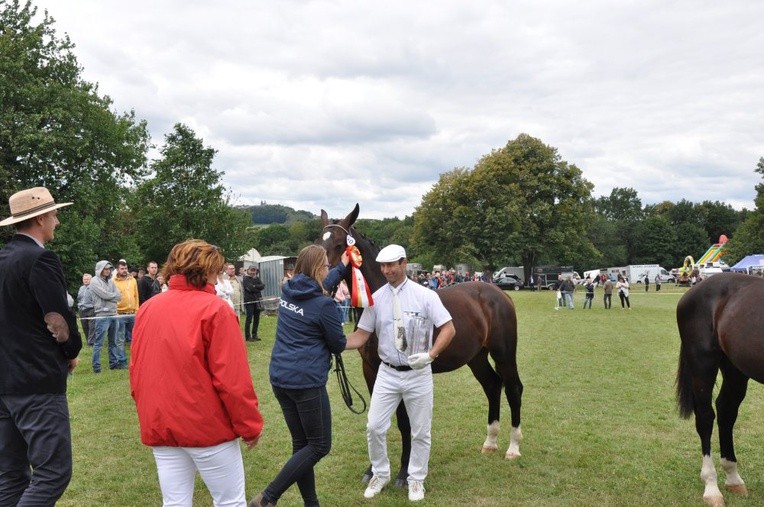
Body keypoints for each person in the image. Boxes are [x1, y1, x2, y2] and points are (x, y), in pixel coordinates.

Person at [130, 239, 263, 506]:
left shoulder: (148, 308)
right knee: (230, 502)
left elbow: (137, 371)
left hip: (162, 422)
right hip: (206, 426)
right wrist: (250, 426)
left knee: (175, 502)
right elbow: (232, 380)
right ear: (208, 271)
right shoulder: (215, 310)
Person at [344, 244, 456, 502]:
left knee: (420, 430)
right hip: (388, 373)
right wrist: (334, 343)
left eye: (391, 265)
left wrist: (431, 355)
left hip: (418, 374)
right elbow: (362, 335)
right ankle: (380, 473)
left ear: (404, 263)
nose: (386, 271)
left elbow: (448, 328)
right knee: (374, 426)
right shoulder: (377, 298)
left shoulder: (425, 296)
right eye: (382, 266)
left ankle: (416, 479)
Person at [0, 186, 82, 504]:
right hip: (35, 382)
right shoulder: (40, 259)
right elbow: (57, 318)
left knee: (10, 475)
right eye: (55, 214)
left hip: (4, 382)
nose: (57, 222)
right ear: (42, 218)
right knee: (53, 473)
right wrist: (70, 352)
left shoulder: (4, 258)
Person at [250, 245, 347, 507]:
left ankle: (311, 503)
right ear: (317, 268)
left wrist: (342, 266)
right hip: (306, 382)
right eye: (326, 265)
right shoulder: (324, 305)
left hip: (281, 377)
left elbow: (320, 285)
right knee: (319, 445)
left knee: (301, 444)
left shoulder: (289, 292)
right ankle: (268, 497)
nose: (328, 269)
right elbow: (338, 344)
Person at [89, 260, 123, 371]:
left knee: (113, 341)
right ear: (100, 269)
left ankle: (114, 364)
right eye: (106, 269)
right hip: (102, 315)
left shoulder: (111, 282)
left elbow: (119, 295)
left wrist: (111, 296)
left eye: (109, 269)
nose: (108, 271)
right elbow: (104, 295)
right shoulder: (94, 281)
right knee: (99, 343)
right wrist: (113, 296)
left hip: (113, 313)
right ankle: (96, 367)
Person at [114, 259, 139, 346]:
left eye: (126, 268)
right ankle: (121, 359)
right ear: (117, 270)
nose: (124, 270)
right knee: (120, 339)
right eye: (122, 268)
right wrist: (115, 311)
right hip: (119, 313)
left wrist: (137, 309)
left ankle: (136, 356)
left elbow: (136, 296)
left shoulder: (133, 280)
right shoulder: (113, 281)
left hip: (132, 313)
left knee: (136, 337)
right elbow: (112, 298)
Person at [243, 266, 265, 341]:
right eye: (251, 270)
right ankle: (247, 336)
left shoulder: (257, 278)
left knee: (257, 318)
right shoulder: (245, 278)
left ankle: (254, 334)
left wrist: (254, 286)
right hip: (249, 301)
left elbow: (262, 286)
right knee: (249, 319)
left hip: (257, 300)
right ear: (248, 271)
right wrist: (256, 288)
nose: (253, 272)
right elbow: (249, 288)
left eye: (254, 270)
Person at [77, 272, 97, 346]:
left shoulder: (94, 288)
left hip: (91, 309)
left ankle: (91, 342)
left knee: (92, 327)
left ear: (91, 280)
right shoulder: (81, 288)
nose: (85, 280)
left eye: (87, 279)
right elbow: (79, 298)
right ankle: (88, 339)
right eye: (84, 279)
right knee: (84, 326)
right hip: (82, 309)